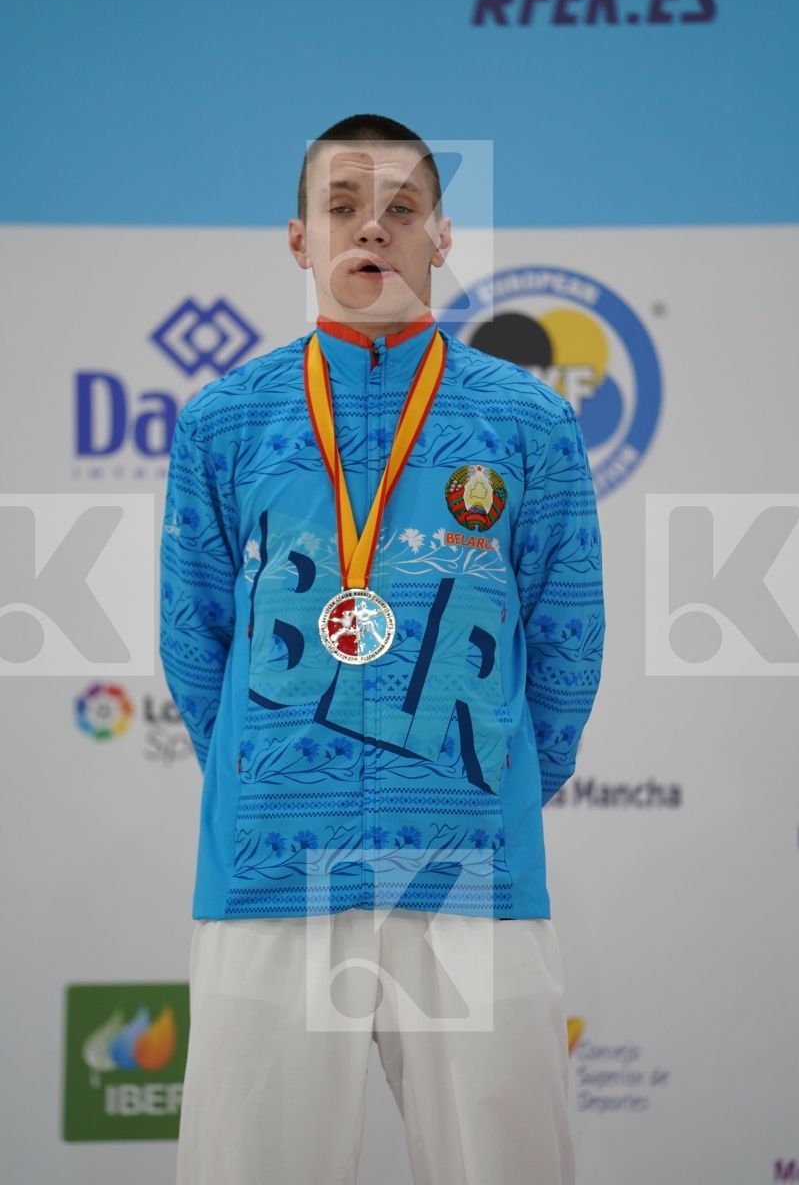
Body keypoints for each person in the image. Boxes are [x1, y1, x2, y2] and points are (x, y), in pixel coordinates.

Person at [160, 113, 605, 1185]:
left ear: (441, 236)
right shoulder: (225, 421)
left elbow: (565, 637)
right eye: (342, 207)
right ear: (298, 239)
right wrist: (266, 770)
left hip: (468, 865)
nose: (372, 229)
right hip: (272, 861)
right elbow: (195, 635)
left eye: (401, 208)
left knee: (503, 1168)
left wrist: (491, 780)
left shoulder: (526, 422)